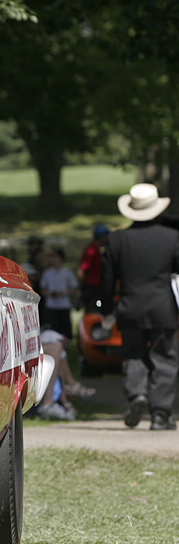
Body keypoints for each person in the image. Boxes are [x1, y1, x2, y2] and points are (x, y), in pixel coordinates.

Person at [100, 183, 179, 431]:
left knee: (133, 354)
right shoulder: (172, 237)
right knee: (165, 359)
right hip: (162, 306)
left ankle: (137, 395)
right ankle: (160, 415)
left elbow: (107, 279)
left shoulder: (117, 239)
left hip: (129, 306)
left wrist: (104, 308)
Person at [39, 248, 78, 339]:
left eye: (55, 257)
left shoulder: (67, 273)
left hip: (64, 305)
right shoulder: (47, 273)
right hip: (51, 306)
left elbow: (73, 289)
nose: (53, 260)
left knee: (65, 328)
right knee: (53, 328)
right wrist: (50, 293)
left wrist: (63, 292)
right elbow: (42, 289)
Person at [77, 224, 110, 311]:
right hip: (91, 287)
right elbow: (82, 270)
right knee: (90, 311)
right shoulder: (91, 251)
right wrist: (81, 289)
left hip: (97, 287)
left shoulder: (97, 250)